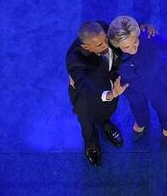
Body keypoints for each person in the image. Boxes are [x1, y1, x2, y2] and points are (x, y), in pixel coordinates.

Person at [66, 20, 155, 166]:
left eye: (106, 40)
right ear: (86, 47)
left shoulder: (103, 29)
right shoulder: (74, 59)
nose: (107, 45)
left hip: (111, 85)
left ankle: (106, 124)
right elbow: (85, 89)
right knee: (87, 123)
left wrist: (141, 26)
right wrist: (110, 94)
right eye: (100, 45)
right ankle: (92, 146)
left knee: (108, 110)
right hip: (87, 97)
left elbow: (122, 28)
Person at [107, 15, 167, 140]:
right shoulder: (112, 56)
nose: (133, 48)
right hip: (132, 89)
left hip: (157, 83)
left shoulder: (147, 37)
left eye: (135, 42)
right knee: (137, 107)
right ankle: (141, 122)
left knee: (164, 107)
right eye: (127, 47)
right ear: (117, 46)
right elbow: (107, 71)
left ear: (138, 35)